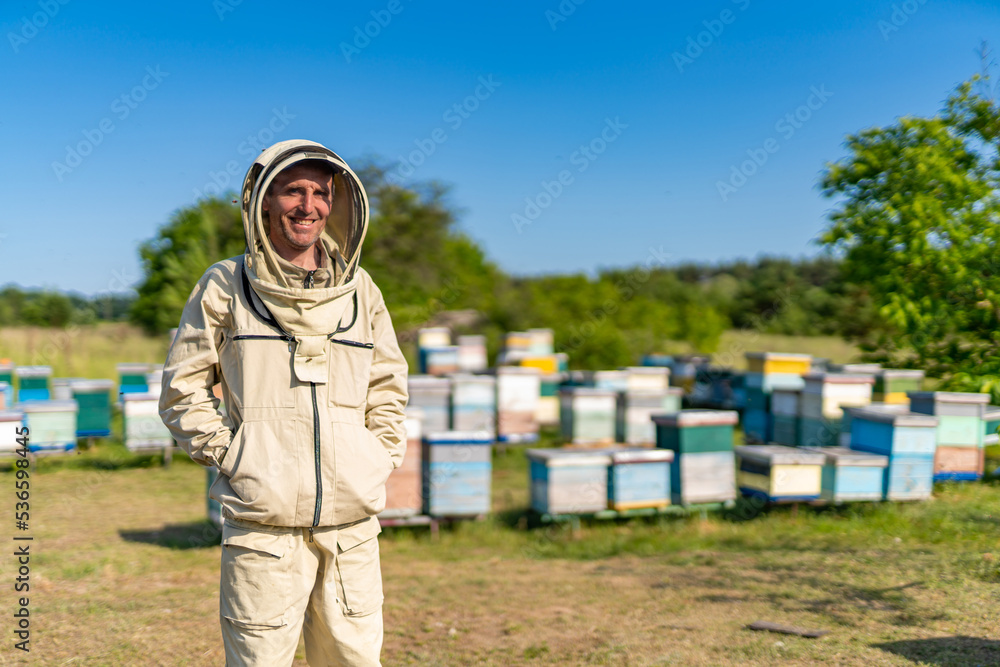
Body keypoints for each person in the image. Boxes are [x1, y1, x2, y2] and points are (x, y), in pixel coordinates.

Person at [159, 139, 408, 666]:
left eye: (320, 193)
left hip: (351, 534)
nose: (308, 205)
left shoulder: (363, 292)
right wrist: (236, 457)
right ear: (263, 200)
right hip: (263, 534)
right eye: (293, 190)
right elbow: (182, 389)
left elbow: (387, 388)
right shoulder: (224, 286)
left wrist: (376, 456)